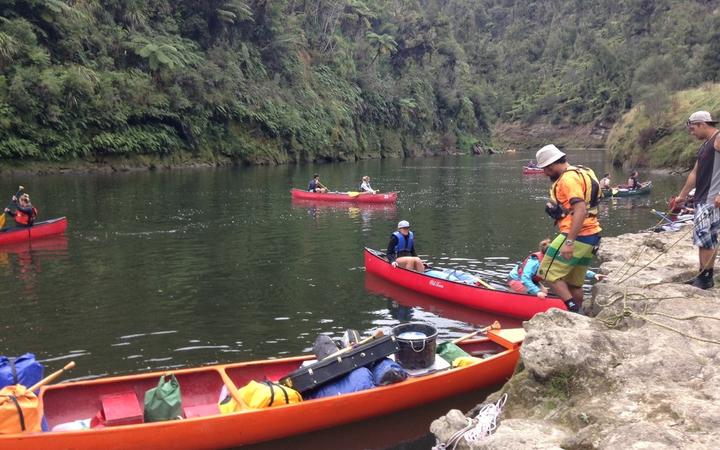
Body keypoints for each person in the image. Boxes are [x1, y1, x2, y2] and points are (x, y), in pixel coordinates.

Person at [536, 144, 603, 312]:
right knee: (574, 284)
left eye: (545, 169)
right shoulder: (584, 171)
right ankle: (579, 315)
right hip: (592, 235)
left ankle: (572, 309)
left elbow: (580, 208)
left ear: (552, 165)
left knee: (547, 272)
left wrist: (569, 242)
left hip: (575, 235)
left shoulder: (567, 179)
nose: (545, 173)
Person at [675, 110, 720, 289]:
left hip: (711, 199)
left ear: (703, 124)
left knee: (706, 238)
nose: (691, 132)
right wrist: (682, 196)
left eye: (693, 128)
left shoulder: (718, 139)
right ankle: (703, 275)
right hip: (702, 198)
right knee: (706, 239)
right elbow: (695, 173)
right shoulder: (705, 145)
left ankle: (706, 278)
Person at [507, 239, 607, 298]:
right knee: (538, 294)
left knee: (545, 293)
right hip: (517, 279)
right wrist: (537, 292)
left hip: (533, 281)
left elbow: (571, 269)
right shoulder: (534, 262)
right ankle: (513, 293)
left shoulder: (555, 259)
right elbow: (525, 278)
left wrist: (594, 274)